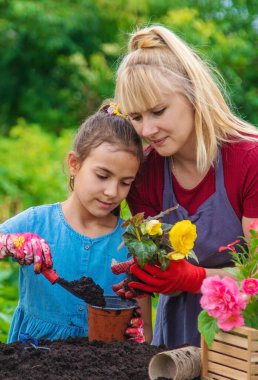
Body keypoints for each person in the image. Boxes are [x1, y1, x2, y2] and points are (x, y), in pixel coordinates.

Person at [112, 25, 258, 348]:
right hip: (173, 340)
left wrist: (195, 278)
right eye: (135, 117)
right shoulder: (145, 173)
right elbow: (156, 280)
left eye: (158, 111)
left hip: (242, 343)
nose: (147, 129)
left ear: (193, 93)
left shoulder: (249, 160)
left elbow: (256, 279)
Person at [0, 101, 152, 343]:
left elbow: (144, 328)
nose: (112, 191)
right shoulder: (36, 222)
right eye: (102, 176)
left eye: (126, 182)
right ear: (74, 164)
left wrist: (138, 333)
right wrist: (9, 243)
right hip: (31, 358)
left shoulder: (131, 243)